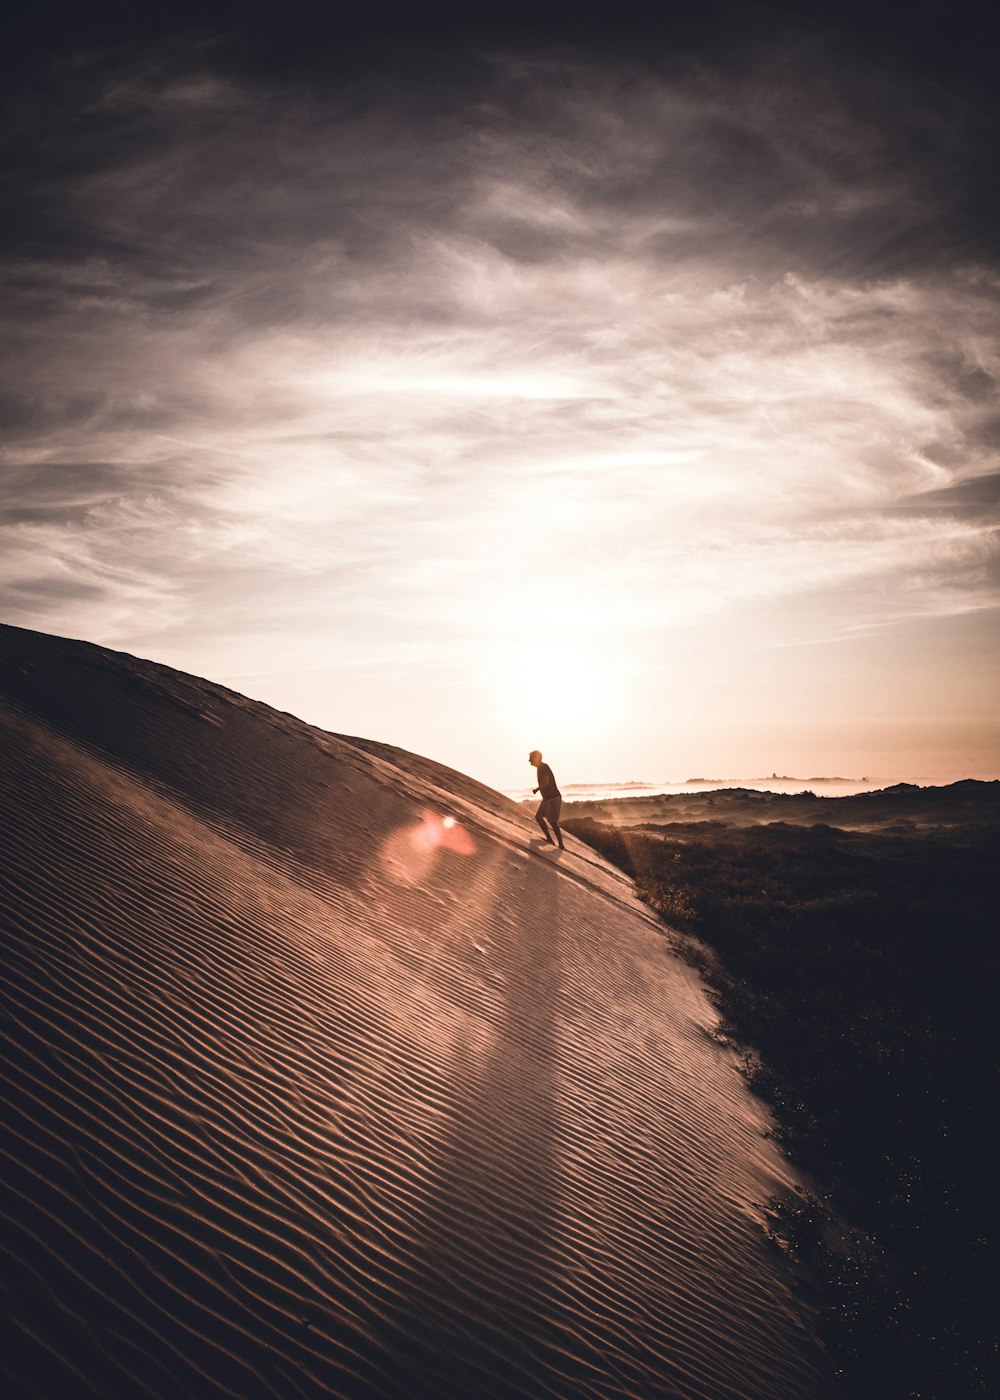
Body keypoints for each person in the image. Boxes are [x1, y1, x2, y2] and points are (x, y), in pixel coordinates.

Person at [529, 749, 564, 850]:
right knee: (539, 817)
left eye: (531, 758)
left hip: (552, 798)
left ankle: (561, 845)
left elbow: (546, 782)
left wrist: (537, 789)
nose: (529, 760)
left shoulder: (543, 767)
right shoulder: (540, 767)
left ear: (536, 758)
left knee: (553, 822)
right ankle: (549, 838)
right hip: (547, 798)